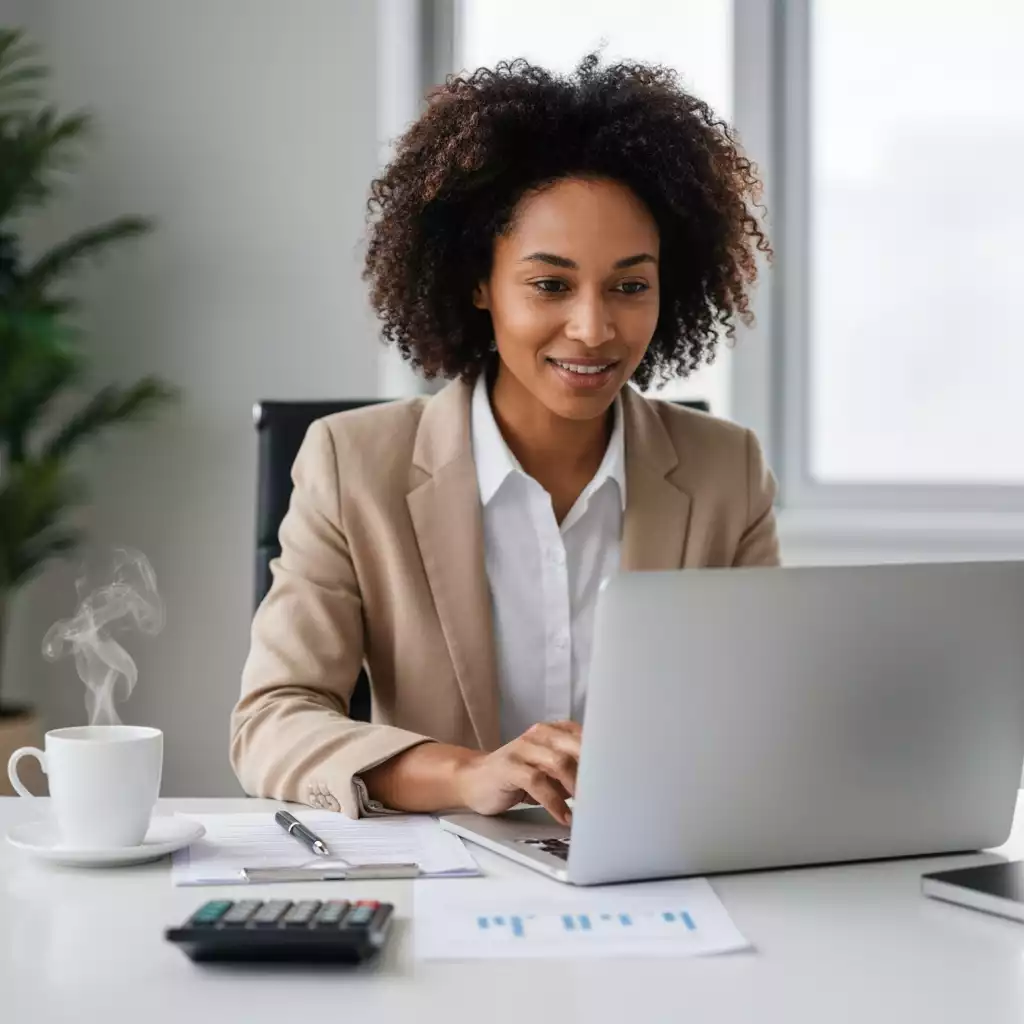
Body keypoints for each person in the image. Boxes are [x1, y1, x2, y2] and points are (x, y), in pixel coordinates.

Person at [231, 54, 780, 824]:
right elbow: (272, 722)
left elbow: (766, 715)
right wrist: (464, 775)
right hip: (443, 884)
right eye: (550, 284)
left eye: (630, 286)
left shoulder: (729, 472)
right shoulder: (352, 463)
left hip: (657, 878)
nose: (593, 329)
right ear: (479, 283)